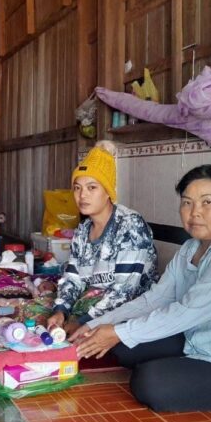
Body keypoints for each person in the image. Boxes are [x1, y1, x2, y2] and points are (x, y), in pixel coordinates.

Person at [71, 164, 211, 412]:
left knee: (150, 382)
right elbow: (155, 299)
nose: (195, 212)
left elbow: (187, 312)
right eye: (187, 203)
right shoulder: (191, 248)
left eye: (207, 202)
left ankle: (179, 370)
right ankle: (181, 366)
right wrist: (96, 324)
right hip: (201, 339)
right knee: (123, 346)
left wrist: (118, 332)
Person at [46, 141, 157, 334]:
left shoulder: (130, 225)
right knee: (39, 315)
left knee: (74, 334)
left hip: (128, 310)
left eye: (92, 187)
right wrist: (61, 310)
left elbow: (124, 291)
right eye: (77, 188)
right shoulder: (83, 230)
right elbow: (73, 277)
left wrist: (83, 322)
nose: (82, 195)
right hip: (92, 303)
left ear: (108, 192)